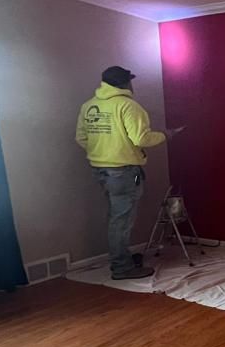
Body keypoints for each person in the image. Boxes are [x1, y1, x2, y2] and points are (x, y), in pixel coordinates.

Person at [76, 66, 182, 279]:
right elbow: (141, 139)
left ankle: (121, 257)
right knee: (122, 220)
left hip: (101, 170)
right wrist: (165, 135)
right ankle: (122, 267)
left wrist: (103, 152)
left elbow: (81, 138)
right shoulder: (128, 106)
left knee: (116, 217)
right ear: (125, 83)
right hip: (123, 171)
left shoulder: (89, 106)